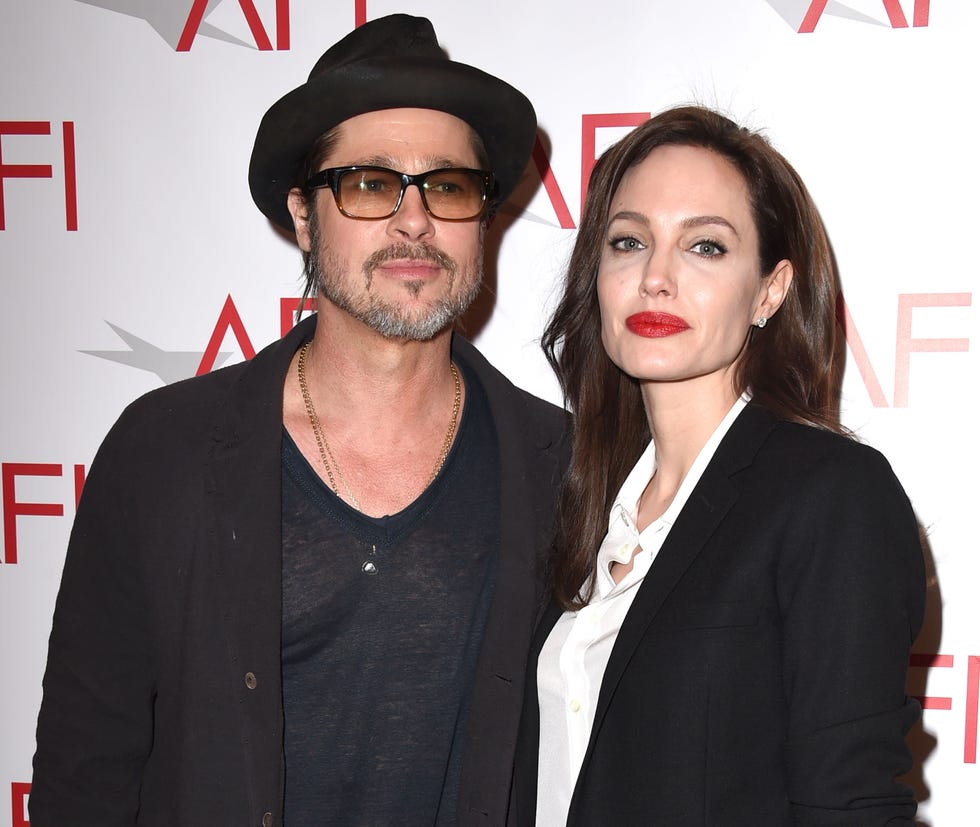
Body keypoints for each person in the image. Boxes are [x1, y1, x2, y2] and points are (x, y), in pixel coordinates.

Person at [30, 14, 568, 827]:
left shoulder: (560, 466)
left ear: (483, 218)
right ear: (305, 215)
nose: (414, 220)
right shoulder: (163, 452)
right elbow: (84, 772)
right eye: (370, 183)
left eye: (448, 185)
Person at [512, 106, 925, 825]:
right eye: (629, 241)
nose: (656, 278)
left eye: (705, 247)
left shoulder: (831, 496)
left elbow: (852, 804)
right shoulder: (576, 498)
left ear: (770, 290)